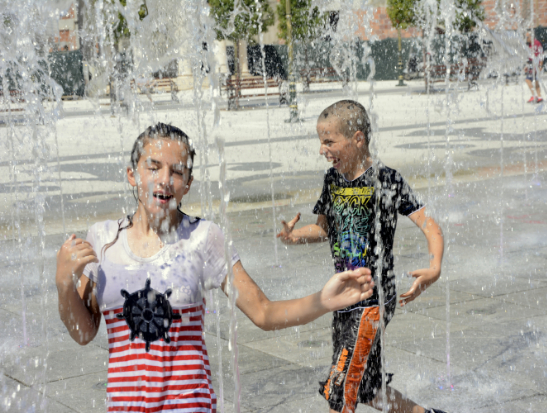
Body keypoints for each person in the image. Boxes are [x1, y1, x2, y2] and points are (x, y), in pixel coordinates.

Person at [55, 123, 376, 412]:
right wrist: (64, 284)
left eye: (177, 172)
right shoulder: (103, 238)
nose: (164, 180)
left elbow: (263, 313)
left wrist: (323, 300)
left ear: (188, 184)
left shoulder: (204, 237)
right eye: (152, 167)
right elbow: (84, 332)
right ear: (132, 174)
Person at [277, 100, 446, 413]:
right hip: (343, 297)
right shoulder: (332, 180)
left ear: (357, 139)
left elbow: (430, 226)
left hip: (372, 297)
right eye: (320, 142)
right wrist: (295, 235)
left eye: (329, 141)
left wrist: (434, 266)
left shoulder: (388, 180)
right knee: (367, 388)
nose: (322, 149)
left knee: (341, 388)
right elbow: (323, 229)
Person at [525, 31, 544, 104]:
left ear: (531, 36)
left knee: (528, 80)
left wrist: (540, 65)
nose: (526, 39)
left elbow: (541, 54)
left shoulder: (536, 43)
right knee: (535, 81)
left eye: (527, 37)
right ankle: (539, 97)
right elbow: (530, 57)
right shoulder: (530, 44)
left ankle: (534, 95)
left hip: (535, 65)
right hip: (532, 65)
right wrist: (527, 65)